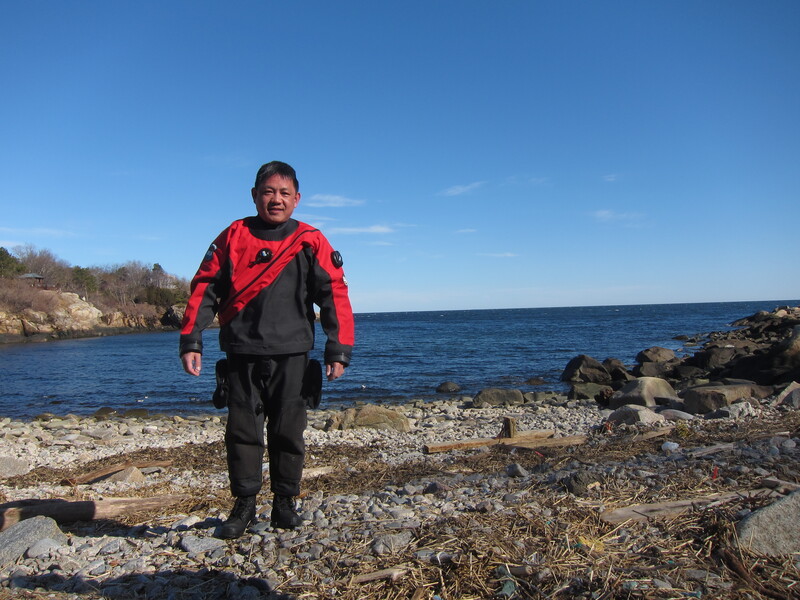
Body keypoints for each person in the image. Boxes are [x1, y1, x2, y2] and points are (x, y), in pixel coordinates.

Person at [179, 161, 354, 539]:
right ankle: (243, 505)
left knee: (288, 432)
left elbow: (334, 293)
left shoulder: (310, 240)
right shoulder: (233, 235)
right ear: (254, 195)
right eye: (268, 192)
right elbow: (205, 287)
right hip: (241, 353)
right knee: (242, 433)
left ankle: (284, 504)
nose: (276, 199)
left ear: (297, 199)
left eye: (284, 193)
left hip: (293, 354)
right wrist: (191, 340)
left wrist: (337, 349)